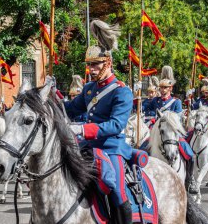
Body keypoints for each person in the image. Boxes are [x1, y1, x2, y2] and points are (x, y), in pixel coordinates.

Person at [63, 19, 133, 224]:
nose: (91, 69)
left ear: (108, 63)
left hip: (112, 147)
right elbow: (71, 109)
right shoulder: (89, 89)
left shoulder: (121, 90)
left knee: (116, 188)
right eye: (89, 65)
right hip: (88, 147)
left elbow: (116, 125)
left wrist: (83, 130)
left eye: (96, 64)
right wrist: (53, 97)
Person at [146, 66, 197, 194]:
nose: (162, 90)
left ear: (170, 88)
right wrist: (137, 96)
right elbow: (147, 112)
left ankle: (191, 181)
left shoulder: (176, 102)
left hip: (172, 133)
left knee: (190, 154)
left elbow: (177, 118)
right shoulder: (155, 101)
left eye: (165, 88)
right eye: (161, 88)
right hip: (156, 133)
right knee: (140, 149)